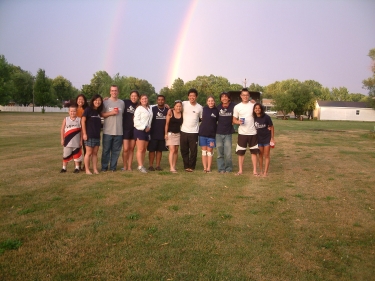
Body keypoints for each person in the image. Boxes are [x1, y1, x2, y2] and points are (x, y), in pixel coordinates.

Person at [232, 88, 259, 176]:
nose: (245, 97)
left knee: (254, 152)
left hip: (253, 132)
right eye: (243, 95)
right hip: (242, 133)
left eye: (247, 95)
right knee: (241, 153)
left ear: (249, 96)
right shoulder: (237, 107)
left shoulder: (253, 105)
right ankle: (240, 170)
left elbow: (260, 114)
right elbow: (234, 120)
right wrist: (238, 122)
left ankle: (255, 171)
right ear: (241, 96)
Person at [101, 85, 125, 172]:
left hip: (119, 132)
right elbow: (101, 114)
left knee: (116, 151)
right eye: (112, 90)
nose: (114, 92)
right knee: (106, 151)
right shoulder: (105, 102)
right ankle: (104, 167)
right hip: (108, 131)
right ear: (110, 92)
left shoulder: (122, 103)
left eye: (116, 90)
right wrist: (111, 113)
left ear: (118, 92)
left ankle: (113, 167)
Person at [180, 88, 203, 172]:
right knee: (184, 150)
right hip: (184, 131)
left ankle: (192, 167)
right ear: (188, 96)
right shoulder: (183, 104)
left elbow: (202, 118)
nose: (192, 97)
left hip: (194, 132)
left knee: (193, 151)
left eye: (193, 96)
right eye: (190, 96)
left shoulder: (200, 107)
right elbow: (176, 107)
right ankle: (186, 165)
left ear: (196, 97)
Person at [81, 94, 103, 175]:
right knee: (89, 153)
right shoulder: (88, 109)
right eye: (96, 100)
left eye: (99, 100)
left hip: (96, 135)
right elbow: (83, 121)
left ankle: (95, 169)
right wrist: (84, 133)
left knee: (95, 153)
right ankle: (87, 170)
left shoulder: (98, 112)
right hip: (89, 135)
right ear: (92, 101)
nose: (97, 102)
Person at [253, 103, 275, 177]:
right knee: (260, 155)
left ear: (261, 109)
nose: (257, 109)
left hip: (266, 139)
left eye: (259, 108)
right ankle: (261, 171)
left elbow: (271, 127)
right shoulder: (253, 117)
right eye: (255, 108)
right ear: (254, 109)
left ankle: (265, 172)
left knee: (266, 155)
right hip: (258, 139)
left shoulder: (266, 117)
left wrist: (272, 138)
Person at [216, 92, 235, 174]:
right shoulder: (218, 107)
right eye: (222, 97)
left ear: (229, 98)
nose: (224, 98)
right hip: (218, 133)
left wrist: (251, 102)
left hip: (228, 133)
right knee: (220, 152)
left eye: (226, 97)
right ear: (220, 99)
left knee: (228, 153)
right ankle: (221, 168)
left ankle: (228, 168)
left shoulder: (234, 106)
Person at [148, 95, 168, 171]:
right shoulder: (152, 109)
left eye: (162, 100)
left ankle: (158, 165)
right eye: (159, 100)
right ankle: (150, 165)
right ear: (157, 101)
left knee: (159, 150)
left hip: (162, 133)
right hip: (153, 133)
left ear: (164, 100)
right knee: (152, 150)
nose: (160, 101)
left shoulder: (167, 110)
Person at [60, 105, 83, 173]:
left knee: (77, 155)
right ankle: (64, 168)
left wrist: (81, 140)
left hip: (76, 141)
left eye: (74, 111)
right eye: (71, 111)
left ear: (76, 112)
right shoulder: (66, 119)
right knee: (66, 155)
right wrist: (62, 139)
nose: (73, 113)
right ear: (68, 112)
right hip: (67, 141)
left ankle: (77, 168)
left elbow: (82, 131)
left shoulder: (79, 119)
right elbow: (62, 129)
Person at [199, 96, 219, 173]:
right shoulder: (203, 109)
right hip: (202, 133)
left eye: (212, 101)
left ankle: (209, 168)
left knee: (209, 151)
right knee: (204, 151)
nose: (210, 102)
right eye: (209, 101)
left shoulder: (216, 111)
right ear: (207, 102)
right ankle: (204, 168)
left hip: (211, 135)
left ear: (214, 102)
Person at [133, 94, 153, 173]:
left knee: (144, 149)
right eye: (143, 99)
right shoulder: (139, 109)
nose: (144, 100)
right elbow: (136, 121)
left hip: (147, 131)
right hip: (140, 130)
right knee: (140, 149)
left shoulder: (149, 108)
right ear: (140, 100)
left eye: (146, 98)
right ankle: (140, 166)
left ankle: (142, 165)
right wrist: (144, 127)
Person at [121, 90, 139, 171]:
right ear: (130, 96)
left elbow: (150, 107)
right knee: (125, 149)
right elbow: (116, 101)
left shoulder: (139, 105)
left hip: (134, 130)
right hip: (125, 129)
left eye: (135, 96)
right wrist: (106, 99)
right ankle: (124, 166)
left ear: (138, 97)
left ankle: (129, 167)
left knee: (131, 149)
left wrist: (166, 106)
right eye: (132, 95)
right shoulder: (125, 102)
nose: (133, 97)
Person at [165, 100, 183, 173]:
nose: (178, 107)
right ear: (174, 107)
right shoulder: (170, 113)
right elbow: (166, 124)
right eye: (177, 106)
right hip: (170, 134)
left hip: (178, 134)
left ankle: (174, 165)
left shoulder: (182, 113)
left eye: (180, 106)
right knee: (172, 150)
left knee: (176, 151)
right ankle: (171, 167)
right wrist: (165, 134)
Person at [75, 94, 88, 171]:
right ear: (76, 100)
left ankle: (85, 165)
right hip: (76, 131)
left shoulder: (86, 109)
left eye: (82, 99)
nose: (81, 101)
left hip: (85, 130)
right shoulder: (74, 109)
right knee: (77, 149)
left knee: (86, 149)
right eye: (79, 99)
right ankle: (77, 165)